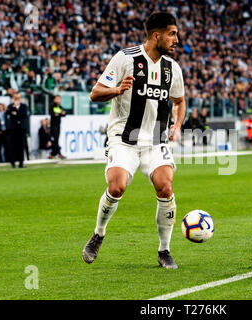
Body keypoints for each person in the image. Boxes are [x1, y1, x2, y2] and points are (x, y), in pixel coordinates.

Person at [82, 12, 186, 269]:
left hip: (155, 141)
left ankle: (164, 250)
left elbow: (180, 101)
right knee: (116, 187)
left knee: (166, 187)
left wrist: (178, 126)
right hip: (124, 138)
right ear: (156, 35)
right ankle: (98, 234)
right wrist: (117, 90)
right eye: (172, 33)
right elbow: (95, 93)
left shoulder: (172, 68)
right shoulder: (125, 58)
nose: (176, 39)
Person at [6, 92, 29, 168]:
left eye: (18, 98)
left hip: (22, 128)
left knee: (21, 146)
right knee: (12, 146)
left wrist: (15, 113)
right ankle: (12, 163)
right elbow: (8, 113)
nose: (17, 100)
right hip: (13, 129)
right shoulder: (10, 106)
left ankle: (21, 163)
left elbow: (23, 114)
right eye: (16, 98)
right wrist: (14, 108)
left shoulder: (24, 106)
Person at [49, 95, 66, 159]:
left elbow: (64, 113)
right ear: (55, 99)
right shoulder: (52, 106)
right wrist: (60, 114)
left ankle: (53, 154)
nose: (59, 100)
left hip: (58, 125)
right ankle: (58, 153)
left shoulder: (60, 106)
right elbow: (53, 114)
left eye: (59, 99)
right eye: (57, 99)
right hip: (53, 125)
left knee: (56, 140)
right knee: (54, 140)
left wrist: (59, 114)